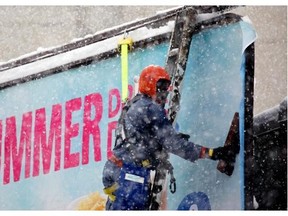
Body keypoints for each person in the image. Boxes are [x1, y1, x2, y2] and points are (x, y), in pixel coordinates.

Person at [102, 65, 237, 210]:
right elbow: (175, 145)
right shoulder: (151, 108)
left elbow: (140, 139)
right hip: (131, 175)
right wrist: (213, 153)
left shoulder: (136, 103)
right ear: (150, 86)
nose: (165, 93)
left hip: (116, 169)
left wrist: (163, 143)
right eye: (161, 87)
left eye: (166, 88)